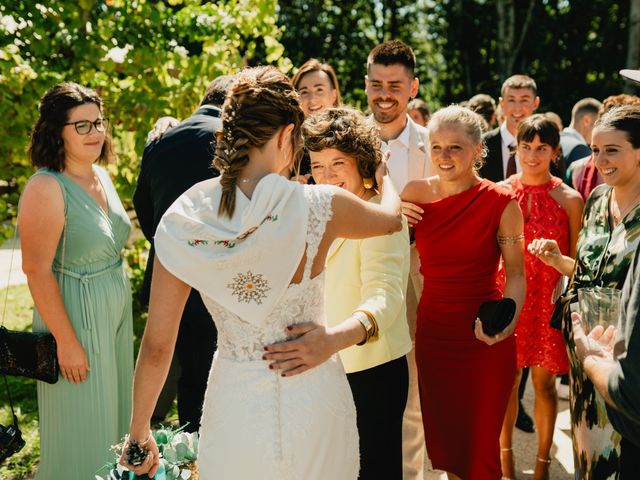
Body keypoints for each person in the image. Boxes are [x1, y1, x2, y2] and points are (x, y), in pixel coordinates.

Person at [120, 66, 403, 479]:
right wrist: (384, 176)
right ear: (289, 134)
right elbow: (390, 220)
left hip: (234, 403)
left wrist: (139, 432)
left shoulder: (185, 220)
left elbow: (158, 346)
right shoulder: (322, 205)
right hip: (314, 395)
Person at [402, 105, 526, 480]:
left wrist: (507, 322)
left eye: (455, 147)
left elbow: (517, 276)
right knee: (449, 446)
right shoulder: (414, 194)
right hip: (435, 335)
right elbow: (391, 254)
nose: (443, 156)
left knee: (479, 446)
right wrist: (396, 222)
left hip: (484, 338)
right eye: (436, 147)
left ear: (477, 150)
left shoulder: (502, 202)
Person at [19, 82, 133, 479]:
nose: (96, 133)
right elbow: (35, 270)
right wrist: (67, 342)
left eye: (99, 122)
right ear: (57, 131)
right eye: (81, 126)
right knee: (84, 431)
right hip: (75, 320)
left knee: (115, 424)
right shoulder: (46, 187)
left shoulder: (101, 175)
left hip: (114, 317)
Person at [529, 105, 640, 479]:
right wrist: (559, 260)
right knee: (589, 463)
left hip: (627, 361)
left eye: (612, 149)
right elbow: (591, 273)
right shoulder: (595, 201)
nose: (601, 160)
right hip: (585, 356)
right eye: (595, 149)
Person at [306, 107, 413, 479]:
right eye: (318, 165)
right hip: (329, 368)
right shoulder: (319, 210)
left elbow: (384, 298)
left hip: (372, 371)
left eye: (338, 162)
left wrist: (333, 339)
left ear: (363, 162)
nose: (326, 175)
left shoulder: (379, 215)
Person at [133, 75, 234, 432]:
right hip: (220, 278)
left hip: (169, 275)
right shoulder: (231, 138)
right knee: (215, 372)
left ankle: (192, 450)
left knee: (189, 375)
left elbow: (143, 206)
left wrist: (170, 251)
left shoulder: (160, 141)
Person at [497, 115, 584, 480]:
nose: (532, 156)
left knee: (544, 385)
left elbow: (579, 261)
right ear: (515, 148)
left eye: (541, 148)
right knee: (507, 383)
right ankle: (506, 463)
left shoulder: (570, 198)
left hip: (547, 303)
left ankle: (543, 464)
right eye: (525, 147)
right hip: (508, 297)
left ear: (555, 152)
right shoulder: (499, 191)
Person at [365, 38, 432, 480]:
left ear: (413, 87)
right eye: (376, 84)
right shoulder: (345, 137)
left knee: (412, 385)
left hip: (418, 272)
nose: (384, 94)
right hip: (358, 271)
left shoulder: (435, 145)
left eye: (394, 85)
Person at [480, 74, 540, 183]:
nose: (517, 108)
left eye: (524, 100)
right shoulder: (482, 143)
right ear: (502, 103)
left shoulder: (545, 145)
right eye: (511, 100)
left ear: (535, 103)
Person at [291, 58, 342, 181]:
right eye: (304, 92)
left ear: (333, 95)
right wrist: (290, 185)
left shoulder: (351, 139)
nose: (312, 99)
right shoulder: (288, 146)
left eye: (319, 90)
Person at [560, 97, 602, 168]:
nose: (601, 130)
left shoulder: (553, 139)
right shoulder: (580, 150)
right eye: (599, 124)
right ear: (587, 121)